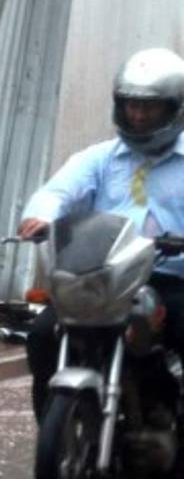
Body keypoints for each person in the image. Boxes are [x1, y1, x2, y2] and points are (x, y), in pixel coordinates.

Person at [19, 47, 184, 421]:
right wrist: (41, 217)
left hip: (171, 278)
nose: (138, 115)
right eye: (130, 105)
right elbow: (57, 192)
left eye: (150, 107)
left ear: (175, 108)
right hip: (106, 281)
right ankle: (56, 427)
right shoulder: (100, 158)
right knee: (45, 334)